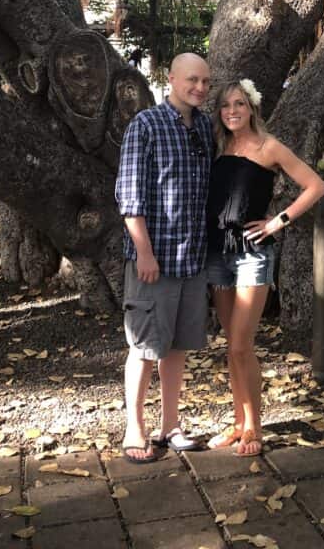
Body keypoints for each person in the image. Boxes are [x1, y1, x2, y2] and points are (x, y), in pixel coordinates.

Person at [206, 78, 324, 456]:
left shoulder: (268, 146)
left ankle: (254, 428)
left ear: (251, 107)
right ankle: (238, 422)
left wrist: (277, 222)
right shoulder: (220, 146)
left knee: (242, 343)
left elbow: (315, 186)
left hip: (251, 254)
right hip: (217, 253)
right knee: (231, 346)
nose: (232, 112)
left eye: (239, 104)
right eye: (225, 106)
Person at [115, 52, 213, 464]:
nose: (200, 88)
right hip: (153, 261)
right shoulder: (147, 125)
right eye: (192, 80)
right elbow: (129, 197)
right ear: (171, 78)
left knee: (177, 348)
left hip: (193, 259)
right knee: (143, 346)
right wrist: (144, 253)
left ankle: (169, 425)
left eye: (206, 82)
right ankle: (134, 428)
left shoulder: (206, 126)